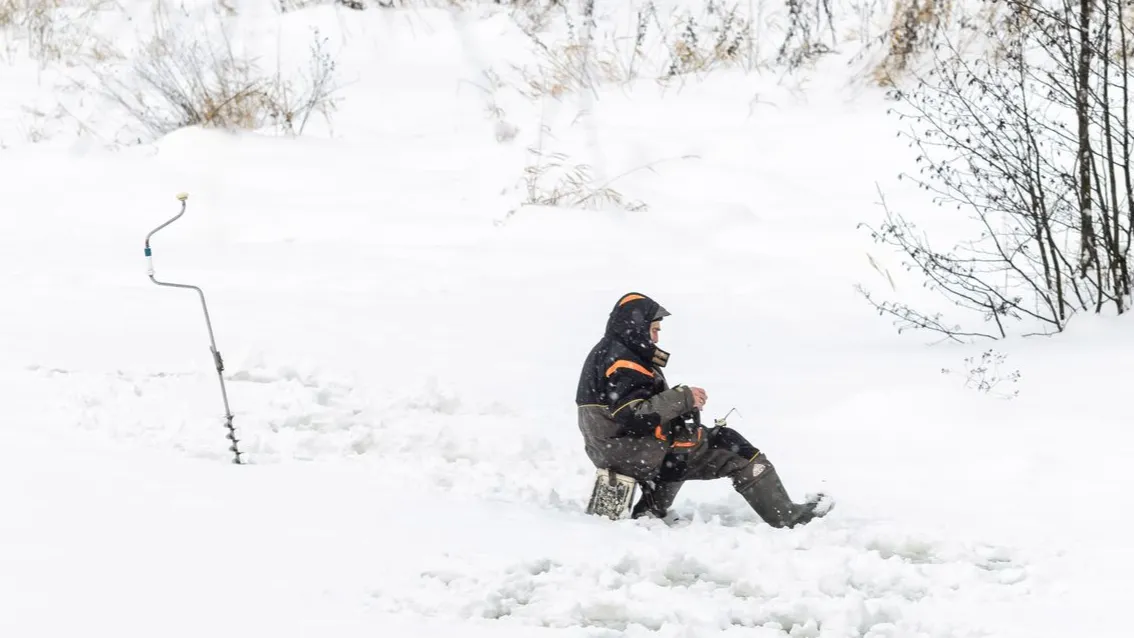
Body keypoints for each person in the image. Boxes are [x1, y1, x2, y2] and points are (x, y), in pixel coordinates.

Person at [575, 292, 831, 528]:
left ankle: (651, 512)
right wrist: (683, 398)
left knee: (685, 436)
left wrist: (679, 406)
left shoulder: (606, 353)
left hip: (611, 450)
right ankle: (787, 517)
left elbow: (627, 410)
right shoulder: (623, 360)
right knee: (728, 445)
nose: (656, 338)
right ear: (636, 326)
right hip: (634, 450)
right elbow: (633, 416)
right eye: (653, 330)